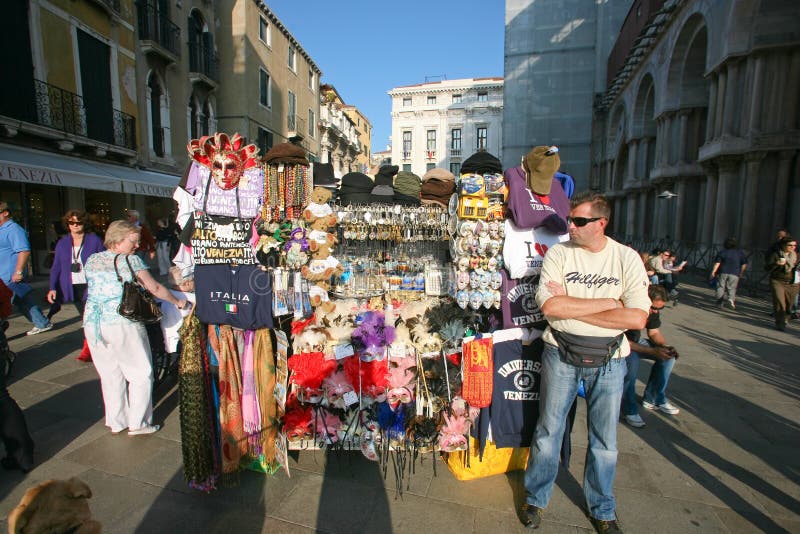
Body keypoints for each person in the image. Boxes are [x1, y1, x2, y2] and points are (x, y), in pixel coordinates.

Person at [523, 192, 650, 533]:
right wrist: (611, 302)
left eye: (578, 221)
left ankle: (602, 508)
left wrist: (572, 302)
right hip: (560, 352)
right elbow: (551, 309)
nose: (570, 226)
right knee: (549, 431)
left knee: (604, 439)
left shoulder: (626, 258)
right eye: (570, 219)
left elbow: (638, 317)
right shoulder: (559, 253)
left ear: (601, 223)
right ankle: (536, 498)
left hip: (610, 358)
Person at [83, 220, 189, 435]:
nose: (137, 245)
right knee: (140, 372)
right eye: (133, 241)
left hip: (93, 323)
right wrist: (178, 302)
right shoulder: (130, 261)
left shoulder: (93, 259)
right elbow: (156, 287)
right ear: (118, 239)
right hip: (122, 322)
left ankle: (116, 420)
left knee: (110, 374)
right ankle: (139, 423)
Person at [46, 210, 105, 362]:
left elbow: (104, 261)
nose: (75, 225)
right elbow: (56, 267)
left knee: (90, 317)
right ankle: (93, 345)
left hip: (91, 284)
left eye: (78, 222)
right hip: (72, 285)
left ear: (84, 223)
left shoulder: (94, 240)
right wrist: (52, 287)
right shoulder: (63, 242)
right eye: (71, 222)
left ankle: (89, 348)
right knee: (85, 317)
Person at [621, 285, 680, 428]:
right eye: (653, 307)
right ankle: (629, 409)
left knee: (668, 357)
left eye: (659, 309)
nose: (655, 311)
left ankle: (654, 398)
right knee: (632, 364)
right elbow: (621, 340)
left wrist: (664, 347)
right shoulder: (629, 308)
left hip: (635, 342)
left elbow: (654, 332)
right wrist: (653, 352)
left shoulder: (652, 311)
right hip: (622, 344)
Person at [0, 201, 53, 335]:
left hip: (9, 275)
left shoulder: (13, 229)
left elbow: (24, 251)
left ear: (5, 213)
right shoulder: (2, 229)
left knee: (3, 305)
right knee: (21, 299)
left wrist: (18, 272)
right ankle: (43, 323)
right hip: (3, 274)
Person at [765, 236, 798, 331]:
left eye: (794, 245)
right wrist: (776, 264)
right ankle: (780, 323)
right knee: (780, 302)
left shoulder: (796, 255)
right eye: (790, 245)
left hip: (793, 283)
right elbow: (767, 268)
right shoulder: (776, 254)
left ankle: (786, 318)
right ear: (783, 245)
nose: (793, 247)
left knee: (789, 305)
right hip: (777, 280)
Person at [709, 238, 748, 310]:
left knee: (720, 286)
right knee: (732, 288)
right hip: (735, 273)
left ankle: (719, 302)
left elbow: (717, 263)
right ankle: (730, 300)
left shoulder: (722, 252)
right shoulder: (740, 253)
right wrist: (741, 273)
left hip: (723, 272)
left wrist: (713, 272)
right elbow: (744, 264)